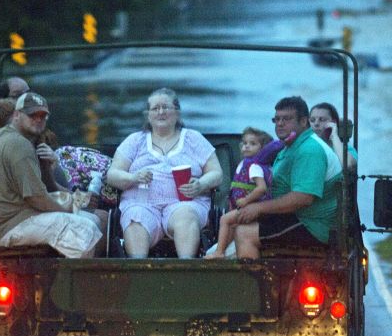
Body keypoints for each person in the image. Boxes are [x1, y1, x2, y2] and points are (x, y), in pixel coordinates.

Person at [0, 92, 104, 257]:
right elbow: (37, 197)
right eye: (32, 115)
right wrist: (66, 210)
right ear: (17, 115)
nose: (38, 119)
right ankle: (76, 281)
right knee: (84, 230)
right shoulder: (20, 145)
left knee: (92, 220)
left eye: (43, 115)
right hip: (8, 225)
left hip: (4, 222)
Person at [105, 88, 224, 258]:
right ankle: (138, 271)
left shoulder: (193, 138)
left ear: (177, 113)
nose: (160, 112)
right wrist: (133, 177)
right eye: (155, 108)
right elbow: (112, 174)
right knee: (136, 217)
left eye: (166, 107)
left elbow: (217, 173)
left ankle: (186, 269)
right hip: (141, 202)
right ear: (148, 115)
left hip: (185, 202)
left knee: (186, 214)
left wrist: (201, 184)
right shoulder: (135, 140)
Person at [228, 96, 343, 259]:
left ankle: (255, 283)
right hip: (296, 216)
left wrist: (258, 208)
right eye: (277, 119)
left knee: (244, 233)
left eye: (287, 119)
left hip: (312, 225)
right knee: (237, 221)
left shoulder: (309, 150)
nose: (280, 123)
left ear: (304, 121)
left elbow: (303, 198)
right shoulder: (291, 146)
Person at [205, 127, 273, 259]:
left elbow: (261, 188)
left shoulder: (255, 167)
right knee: (232, 222)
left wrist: (246, 200)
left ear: (263, 149)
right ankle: (225, 246)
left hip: (253, 207)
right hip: (243, 206)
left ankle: (219, 252)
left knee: (225, 219)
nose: (247, 146)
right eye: (245, 143)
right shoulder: (244, 164)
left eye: (253, 144)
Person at [309, 102, 358, 171]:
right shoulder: (305, 145)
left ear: (333, 122)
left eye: (322, 120)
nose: (316, 124)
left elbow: (347, 164)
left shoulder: (345, 149)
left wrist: (334, 136)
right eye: (312, 120)